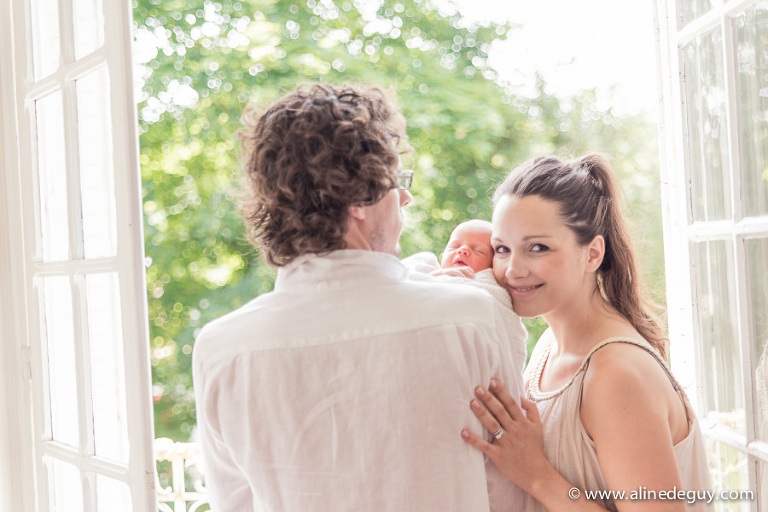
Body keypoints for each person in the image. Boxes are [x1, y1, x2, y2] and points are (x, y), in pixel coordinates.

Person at [192, 83, 526, 512]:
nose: (404, 196)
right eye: (395, 183)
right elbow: (511, 494)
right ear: (359, 200)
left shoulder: (221, 348)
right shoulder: (473, 319)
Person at [460, 154, 712, 511]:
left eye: (538, 247)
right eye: (502, 249)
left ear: (592, 254)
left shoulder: (614, 374)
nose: (512, 269)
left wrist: (534, 474)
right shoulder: (549, 345)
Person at [403, 219, 528, 363]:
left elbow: (509, 340)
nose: (463, 250)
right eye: (454, 246)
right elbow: (404, 291)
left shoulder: (488, 288)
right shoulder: (426, 270)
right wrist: (436, 277)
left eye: (478, 251)